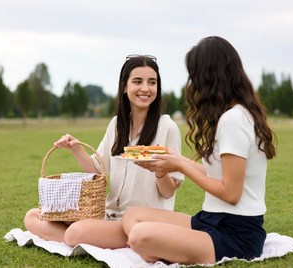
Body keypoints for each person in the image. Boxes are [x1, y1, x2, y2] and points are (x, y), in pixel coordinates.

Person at [121, 36, 277, 265]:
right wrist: (174, 159)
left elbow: (231, 194)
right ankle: (157, 247)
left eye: (194, 74)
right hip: (211, 220)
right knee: (133, 215)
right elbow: (219, 175)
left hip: (235, 234)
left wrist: (181, 165)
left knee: (139, 235)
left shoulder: (234, 120)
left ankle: (152, 247)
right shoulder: (233, 115)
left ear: (209, 76)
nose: (192, 83)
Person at [24, 54, 184, 249]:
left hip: (140, 223)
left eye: (152, 82)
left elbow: (168, 193)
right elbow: (97, 169)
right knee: (33, 216)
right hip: (108, 215)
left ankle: (84, 238)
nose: (145, 88)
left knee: (76, 232)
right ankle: (86, 238)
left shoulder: (167, 127)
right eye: (138, 81)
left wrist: (159, 171)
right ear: (125, 87)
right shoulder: (117, 124)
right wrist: (76, 148)